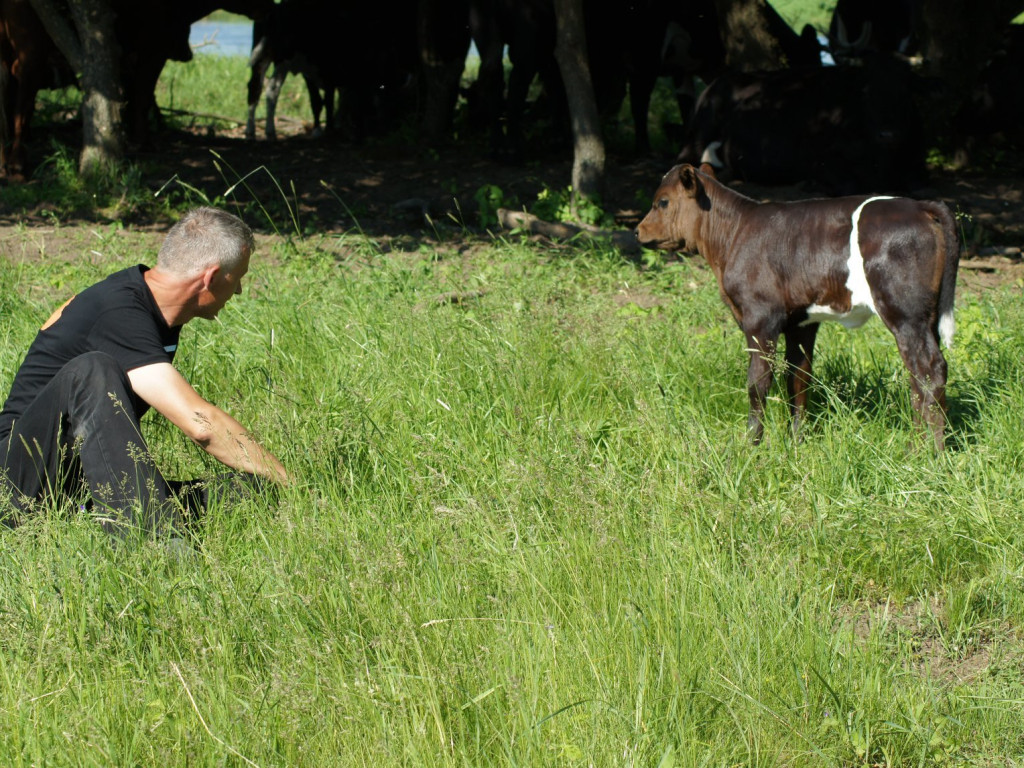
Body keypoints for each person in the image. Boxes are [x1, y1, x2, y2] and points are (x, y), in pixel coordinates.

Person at [0, 207, 288, 537]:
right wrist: (291, 481)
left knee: (256, 493)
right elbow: (200, 424)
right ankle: (159, 548)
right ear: (209, 278)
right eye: (237, 279)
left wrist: (279, 487)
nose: (237, 291)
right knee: (93, 368)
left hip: (76, 493)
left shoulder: (158, 312)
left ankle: (120, 519)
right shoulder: (116, 309)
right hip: (15, 485)